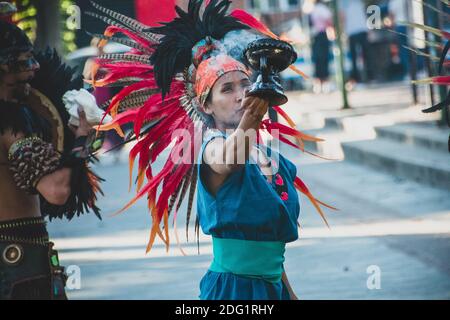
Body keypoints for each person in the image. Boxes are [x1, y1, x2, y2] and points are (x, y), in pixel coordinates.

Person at [90, 0, 335, 300]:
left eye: (245, 84)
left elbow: (269, 247)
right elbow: (232, 159)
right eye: (227, 89)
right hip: (232, 293)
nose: (241, 94)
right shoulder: (210, 148)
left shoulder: (273, 160)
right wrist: (255, 112)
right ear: (206, 104)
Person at [0, 3, 103, 299]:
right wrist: (82, 142)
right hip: (20, 269)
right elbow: (55, 190)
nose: (34, 68)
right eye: (22, 62)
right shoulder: (12, 122)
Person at [340, 0, 373, 82]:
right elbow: (343, 16)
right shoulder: (343, 2)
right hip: (352, 31)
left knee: (364, 55)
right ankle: (358, 78)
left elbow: (363, 15)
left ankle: (367, 76)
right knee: (356, 56)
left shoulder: (358, 2)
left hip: (359, 29)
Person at [310, 0, 333, 93]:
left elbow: (328, 20)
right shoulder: (313, 8)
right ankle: (320, 82)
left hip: (321, 35)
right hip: (317, 36)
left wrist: (330, 31)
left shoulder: (320, 8)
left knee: (322, 58)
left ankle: (324, 82)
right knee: (318, 59)